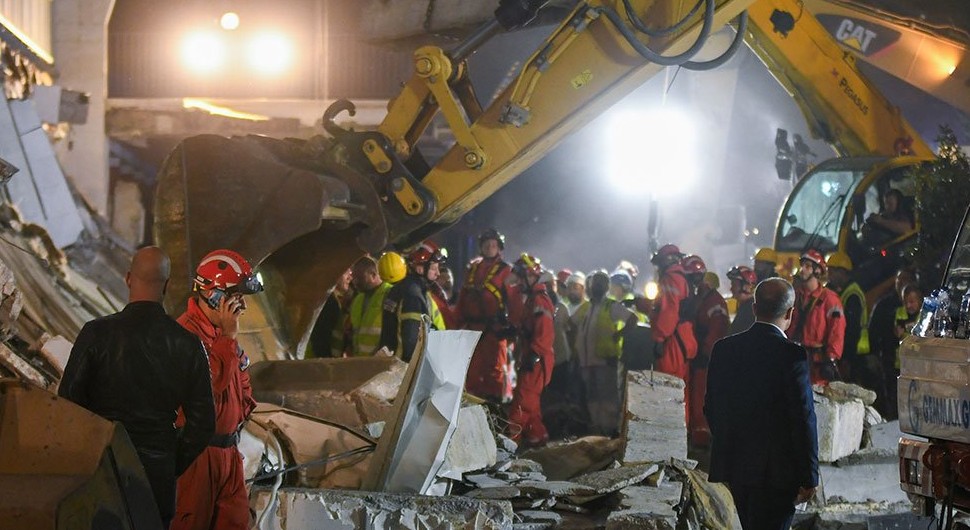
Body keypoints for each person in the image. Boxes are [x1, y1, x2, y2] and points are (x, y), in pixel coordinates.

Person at [58, 247, 215, 527]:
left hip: (101, 469)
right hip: (156, 478)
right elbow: (203, 424)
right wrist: (170, 460)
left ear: (128, 278)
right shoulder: (188, 345)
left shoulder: (96, 334)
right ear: (167, 285)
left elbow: (67, 405)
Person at [705, 278, 819, 530]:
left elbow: (712, 408)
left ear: (754, 309)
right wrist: (809, 475)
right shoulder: (792, 356)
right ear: (790, 313)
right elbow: (803, 419)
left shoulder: (724, 350)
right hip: (778, 474)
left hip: (736, 468)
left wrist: (732, 445)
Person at [171, 249, 263, 530]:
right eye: (237, 298)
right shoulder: (183, 335)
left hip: (228, 456)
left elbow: (243, 387)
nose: (242, 308)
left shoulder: (223, 337)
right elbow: (205, 390)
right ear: (215, 294)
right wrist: (228, 338)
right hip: (197, 459)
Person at [570, 271, 639, 436]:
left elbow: (633, 319)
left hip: (605, 360)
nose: (597, 286)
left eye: (600, 283)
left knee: (607, 397)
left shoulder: (611, 306)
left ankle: (610, 429)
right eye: (595, 283)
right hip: (587, 361)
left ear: (606, 287)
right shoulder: (587, 307)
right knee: (592, 396)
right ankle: (596, 427)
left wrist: (619, 334)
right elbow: (571, 323)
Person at [505, 253, 556, 448]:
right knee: (532, 410)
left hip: (537, 362)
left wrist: (533, 355)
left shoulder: (539, 301)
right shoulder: (533, 299)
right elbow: (529, 327)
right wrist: (512, 329)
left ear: (530, 275)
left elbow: (544, 333)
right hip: (534, 359)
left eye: (520, 277)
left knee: (520, 407)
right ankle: (539, 443)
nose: (518, 282)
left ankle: (509, 449)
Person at [459, 228, 514, 403]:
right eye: (486, 244)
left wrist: (511, 327)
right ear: (481, 247)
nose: (490, 247)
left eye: (493, 245)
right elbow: (462, 299)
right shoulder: (472, 269)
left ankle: (495, 412)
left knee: (495, 372)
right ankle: (473, 409)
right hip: (472, 329)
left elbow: (513, 301)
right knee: (472, 372)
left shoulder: (507, 271)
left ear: (499, 248)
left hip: (494, 330)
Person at [380, 241, 447, 362]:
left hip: (391, 364)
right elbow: (411, 341)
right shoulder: (413, 295)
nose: (438, 273)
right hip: (403, 369)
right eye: (434, 268)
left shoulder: (403, 288)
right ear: (420, 269)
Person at [788, 249, 846, 385]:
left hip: (816, 365)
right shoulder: (795, 297)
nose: (802, 269)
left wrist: (831, 358)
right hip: (794, 358)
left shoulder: (830, 299)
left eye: (807, 266)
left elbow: (836, 331)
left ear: (818, 271)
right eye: (802, 265)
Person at [688, 264, 729, 449]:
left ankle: (702, 436)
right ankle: (697, 433)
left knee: (701, 397)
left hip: (707, 358)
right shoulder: (702, 300)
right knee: (696, 396)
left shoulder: (715, 302)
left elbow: (717, 330)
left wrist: (706, 352)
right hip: (699, 355)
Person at [868, 267, 917, 418]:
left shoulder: (919, 309)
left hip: (912, 363)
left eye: (905, 280)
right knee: (891, 396)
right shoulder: (885, 304)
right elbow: (873, 329)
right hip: (889, 357)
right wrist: (874, 354)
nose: (901, 283)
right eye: (898, 280)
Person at [650, 244, 698, 382]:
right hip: (683, 337)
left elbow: (669, 311)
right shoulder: (681, 277)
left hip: (673, 341)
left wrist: (659, 338)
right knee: (679, 390)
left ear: (667, 260)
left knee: (668, 386)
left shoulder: (670, 279)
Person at [826, 252, 872, 386]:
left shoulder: (852, 294)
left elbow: (852, 329)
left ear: (842, 272)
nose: (829, 275)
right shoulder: (839, 290)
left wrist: (846, 358)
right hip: (844, 351)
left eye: (832, 271)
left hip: (854, 352)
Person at [347, 256, 394, 357]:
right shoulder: (358, 299)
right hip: (359, 362)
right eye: (354, 277)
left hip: (380, 361)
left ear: (373, 275)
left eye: (359, 277)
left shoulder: (390, 294)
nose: (355, 282)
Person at [308, 267, 353, 358]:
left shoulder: (331, 299)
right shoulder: (329, 302)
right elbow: (321, 339)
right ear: (334, 275)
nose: (350, 278)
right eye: (346, 273)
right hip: (321, 362)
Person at [727, 266, 758, 335]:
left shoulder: (751, 311)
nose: (731, 289)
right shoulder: (746, 306)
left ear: (746, 286)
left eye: (734, 285)